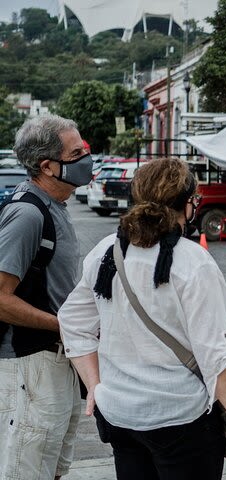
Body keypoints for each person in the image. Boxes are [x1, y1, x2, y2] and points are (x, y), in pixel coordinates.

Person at [57, 158, 226, 479]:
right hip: (179, 417)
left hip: (120, 415)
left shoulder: (107, 251)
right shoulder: (194, 263)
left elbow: (71, 321)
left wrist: (95, 386)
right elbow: (216, 358)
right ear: (188, 204)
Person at [0, 115, 89, 480]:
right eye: (76, 152)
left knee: (52, 467)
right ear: (48, 166)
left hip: (58, 360)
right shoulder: (27, 215)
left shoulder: (55, 208)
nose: (87, 158)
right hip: (31, 364)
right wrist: (62, 325)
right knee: (28, 469)